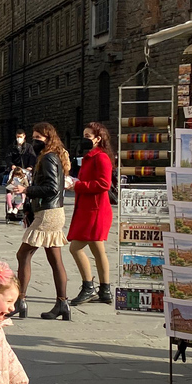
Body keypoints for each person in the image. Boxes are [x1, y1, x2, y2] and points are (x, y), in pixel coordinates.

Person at [11, 122, 71, 321]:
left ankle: (21, 301)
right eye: (33, 137)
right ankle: (62, 304)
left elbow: (52, 188)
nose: (35, 141)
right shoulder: (52, 156)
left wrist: (26, 190)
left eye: (39, 138)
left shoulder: (48, 158)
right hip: (52, 211)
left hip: (48, 213)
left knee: (23, 255)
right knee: (55, 260)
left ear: (48, 139)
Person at [66, 122, 115, 306]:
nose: (85, 139)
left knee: (75, 248)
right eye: (84, 135)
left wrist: (77, 185)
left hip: (95, 210)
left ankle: (89, 288)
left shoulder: (100, 157)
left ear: (98, 138)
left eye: (88, 136)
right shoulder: (91, 156)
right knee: (97, 249)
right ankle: (105, 290)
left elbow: (104, 184)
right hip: (91, 208)